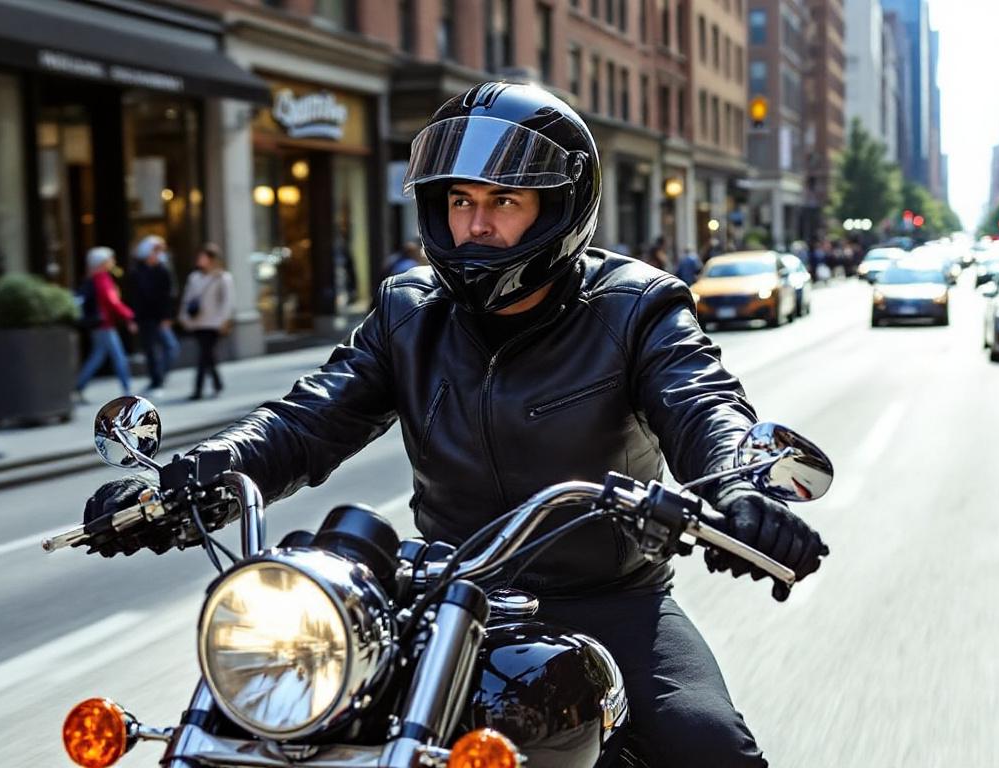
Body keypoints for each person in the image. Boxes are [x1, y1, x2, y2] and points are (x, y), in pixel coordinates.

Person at [79, 83, 826, 767]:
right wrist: (197, 473)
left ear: (558, 209)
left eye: (504, 202)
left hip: (610, 599)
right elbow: (309, 418)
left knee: (709, 745)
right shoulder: (410, 312)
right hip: (437, 600)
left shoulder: (638, 308)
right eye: (459, 200)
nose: (475, 226)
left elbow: (702, 404)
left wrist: (741, 488)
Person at [74, 247, 137, 401]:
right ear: (102, 262)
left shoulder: (94, 279)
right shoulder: (102, 279)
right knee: (119, 357)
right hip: (105, 326)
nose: (113, 262)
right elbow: (112, 302)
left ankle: (79, 386)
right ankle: (127, 390)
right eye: (110, 259)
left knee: (98, 357)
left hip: (100, 325)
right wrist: (129, 315)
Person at [179, 243, 235, 401]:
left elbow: (228, 301)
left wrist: (225, 320)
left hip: (214, 323)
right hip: (198, 322)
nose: (199, 260)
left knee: (204, 355)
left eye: (202, 257)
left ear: (211, 259)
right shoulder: (194, 277)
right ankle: (217, 383)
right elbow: (187, 298)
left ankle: (198, 389)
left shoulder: (223, 277)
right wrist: (183, 317)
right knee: (208, 355)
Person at [130, 235, 180, 398]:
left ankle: (159, 377)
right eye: (155, 251)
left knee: (171, 347)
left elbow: (168, 295)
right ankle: (156, 381)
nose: (158, 254)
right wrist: (133, 319)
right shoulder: (137, 271)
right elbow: (135, 297)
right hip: (145, 318)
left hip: (160, 317)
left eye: (160, 251)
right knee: (150, 350)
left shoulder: (163, 270)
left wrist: (167, 317)